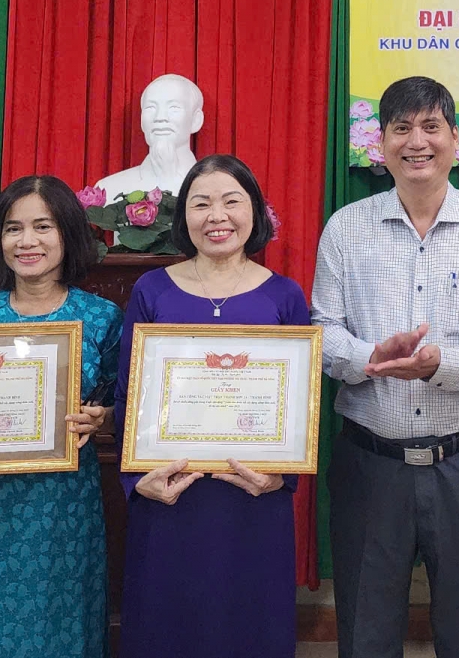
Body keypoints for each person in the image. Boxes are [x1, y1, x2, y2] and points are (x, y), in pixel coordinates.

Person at [313, 76, 459, 658]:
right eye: (402, 128)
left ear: (456, 139)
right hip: (370, 464)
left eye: (431, 127)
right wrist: (370, 358)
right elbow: (322, 332)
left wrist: (447, 365)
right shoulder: (345, 228)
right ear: (380, 143)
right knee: (366, 636)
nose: (417, 142)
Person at [112, 154, 311, 658]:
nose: (216, 216)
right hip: (170, 493)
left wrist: (282, 478)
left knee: (250, 626)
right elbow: (127, 393)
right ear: (184, 217)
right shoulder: (151, 289)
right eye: (201, 204)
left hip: (253, 495)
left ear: (255, 212)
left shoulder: (285, 295)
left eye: (231, 201)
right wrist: (136, 481)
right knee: (166, 628)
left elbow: (302, 404)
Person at [0, 175, 123, 658]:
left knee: (57, 622)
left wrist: (102, 418)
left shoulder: (101, 318)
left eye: (42, 226)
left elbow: (126, 412)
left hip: (61, 507)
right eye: (13, 228)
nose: (26, 241)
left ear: (67, 235)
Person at [95, 73, 205, 197]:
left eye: (174, 108)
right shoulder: (109, 189)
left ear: (196, 120)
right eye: (150, 108)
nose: (160, 117)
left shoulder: (217, 186)